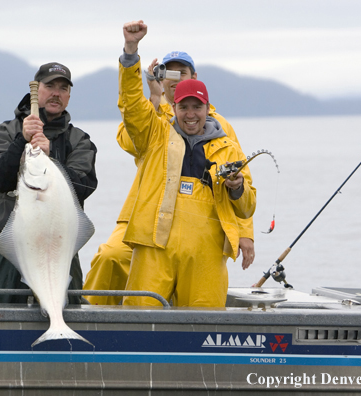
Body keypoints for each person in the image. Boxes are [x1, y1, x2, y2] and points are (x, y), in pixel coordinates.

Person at [83, 49, 255, 306]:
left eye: (182, 73)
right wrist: (150, 93)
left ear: (206, 105)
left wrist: (245, 233)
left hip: (203, 236)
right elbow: (129, 137)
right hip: (148, 219)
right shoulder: (155, 123)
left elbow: (243, 187)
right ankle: (91, 317)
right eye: (168, 73)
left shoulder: (224, 134)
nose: (175, 80)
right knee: (111, 256)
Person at [0, 62, 98, 304]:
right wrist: (19, 142)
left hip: (61, 243)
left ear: (69, 96)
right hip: (9, 242)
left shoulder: (80, 140)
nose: (57, 93)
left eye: (63, 88)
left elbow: (84, 187)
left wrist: (51, 157)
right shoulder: (5, 131)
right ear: (37, 90)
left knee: (70, 309)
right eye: (50, 86)